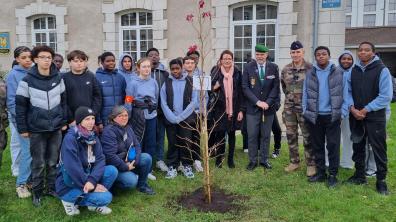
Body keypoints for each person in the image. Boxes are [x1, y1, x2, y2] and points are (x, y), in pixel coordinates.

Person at [16, 45, 68, 206]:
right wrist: (23, 128)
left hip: (55, 129)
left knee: (53, 162)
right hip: (36, 129)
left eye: (49, 57)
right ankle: (37, 192)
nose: (46, 60)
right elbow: (20, 106)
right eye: (43, 57)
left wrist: (64, 121)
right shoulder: (27, 80)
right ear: (36, 59)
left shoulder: (58, 78)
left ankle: (51, 188)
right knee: (38, 163)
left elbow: (64, 103)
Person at [345, 42, 393, 195]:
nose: (363, 52)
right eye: (360, 50)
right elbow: (348, 92)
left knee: (378, 148)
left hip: (375, 117)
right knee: (358, 146)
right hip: (356, 116)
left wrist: (365, 109)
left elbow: (386, 96)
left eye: (367, 50)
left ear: (373, 53)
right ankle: (359, 176)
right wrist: (352, 108)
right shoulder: (354, 70)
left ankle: (381, 180)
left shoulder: (382, 70)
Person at [56, 107, 118, 216]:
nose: (91, 122)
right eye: (87, 119)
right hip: (69, 184)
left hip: (87, 175)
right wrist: (90, 184)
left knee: (112, 171)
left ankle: (92, 204)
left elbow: (100, 159)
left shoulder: (92, 135)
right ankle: (68, 201)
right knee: (106, 197)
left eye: (93, 118)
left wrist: (93, 180)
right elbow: (72, 168)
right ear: (80, 121)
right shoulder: (70, 138)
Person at [302, 46, 344, 188]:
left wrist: (341, 112)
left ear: (329, 56)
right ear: (315, 57)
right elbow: (305, 93)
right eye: (318, 54)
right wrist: (305, 110)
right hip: (315, 116)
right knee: (317, 145)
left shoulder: (338, 72)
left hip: (332, 116)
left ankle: (333, 175)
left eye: (324, 54)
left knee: (333, 146)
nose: (321, 56)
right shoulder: (310, 73)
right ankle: (321, 173)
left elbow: (345, 93)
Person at [242, 44, 280, 171]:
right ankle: (252, 161)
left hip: (268, 109)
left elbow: (275, 87)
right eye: (257, 54)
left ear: (267, 54)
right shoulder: (248, 67)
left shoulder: (273, 67)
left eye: (262, 54)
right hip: (253, 108)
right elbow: (245, 87)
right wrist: (257, 102)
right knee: (252, 135)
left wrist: (268, 102)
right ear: (255, 55)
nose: (259, 57)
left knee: (266, 135)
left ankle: (264, 160)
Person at [101, 106, 155, 194]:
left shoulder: (128, 128)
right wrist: (125, 166)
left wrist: (135, 161)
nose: (124, 118)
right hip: (115, 166)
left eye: (126, 115)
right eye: (120, 116)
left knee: (146, 157)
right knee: (131, 181)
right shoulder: (108, 132)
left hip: (128, 160)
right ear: (113, 118)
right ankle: (113, 185)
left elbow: (137, 145)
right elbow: (110, 156)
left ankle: (142, 185)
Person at [281, 41, 316, 176]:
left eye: (298, 52)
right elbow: (284, 88)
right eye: (293, 52)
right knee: (291, 136)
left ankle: (311, 164)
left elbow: (314, 89)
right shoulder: (285, 70)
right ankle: (294, 162)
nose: (295, 54)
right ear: (290, 53)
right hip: (289, 109)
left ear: (303, 52)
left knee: (308, 137)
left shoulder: (310, 69)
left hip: (305, 109)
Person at [161, 59, 198, 179]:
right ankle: (172, 165)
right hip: (171, 119)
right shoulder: (166, 82)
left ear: (182, 68)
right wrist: (172, 117)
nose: (175, 71)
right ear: (170, 70)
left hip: (186, 119)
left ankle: (187, 165)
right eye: (173, 69)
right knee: (172, 142)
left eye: (177, 68)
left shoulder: (191, 81)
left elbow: (194, 101)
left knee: (186, 142)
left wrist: (181, 117)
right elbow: (163, 102)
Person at [209, 50, 244, 168]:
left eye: (229, 58)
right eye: (225, 58)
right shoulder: (216, 71)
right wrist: (217, 85)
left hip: (233, 108)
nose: (227, 60)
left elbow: (241, 92)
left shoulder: (238, 72)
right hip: (219, 108)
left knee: (232, 134)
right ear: (221, 60)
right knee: (220, 135)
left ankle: (230, 159)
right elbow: (210, 88)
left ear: (232, 59)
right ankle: (219, 158)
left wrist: (240, 110)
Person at [5, 46, 32, 199]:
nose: (27, 60)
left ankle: (29, 180)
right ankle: (20, 184)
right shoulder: (13, 75)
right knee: (27, 151)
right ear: (17, 59)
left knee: (34, 152)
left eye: (29, 57)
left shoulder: (34, 72)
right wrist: (23, 120)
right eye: (23, 57)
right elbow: (12, 102)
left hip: (35, 120)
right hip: (22, 120)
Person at [126, 58, 159, 180]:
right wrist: (128, 115)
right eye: (144, 67)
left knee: (150, 143)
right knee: (137, 142)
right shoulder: (133, 83)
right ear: (138, 68)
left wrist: (152, 107)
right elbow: (128, 99)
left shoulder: (153, 82)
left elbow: (156, 97)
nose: (146, 69)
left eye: (148, 67)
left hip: (151, 116)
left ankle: (148, 169)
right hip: (138, 117)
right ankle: (136, 168)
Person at [63, 50, 102, 127]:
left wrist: (91, 114)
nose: (79, 63)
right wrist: (71, 119)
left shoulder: (91, 77)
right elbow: (63, 101)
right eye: (76, 61)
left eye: (82, 61)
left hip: (89, 119)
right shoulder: (64, 78)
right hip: (72, 121)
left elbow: (97, 97)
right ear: (70, 62)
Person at [146, 48, 170, 173]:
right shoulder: (144, 72)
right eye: (151, 55)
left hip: (161, 110)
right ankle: (149, 162)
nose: (154, 57)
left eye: (156, 55)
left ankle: (160, 160)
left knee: (161, 135)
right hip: (148, 111)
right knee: (149, 137)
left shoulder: (164, 73)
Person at [95, 52, 126, 127]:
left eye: (113, 61)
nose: (111, 63)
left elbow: (126, 96)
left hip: (119, 117)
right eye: (108, 61)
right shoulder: (96, 77)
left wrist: (125, 112)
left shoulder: (120, 77)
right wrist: (98, 122)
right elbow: (95, 101)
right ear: (102, 62)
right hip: (104, 119)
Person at [337, 51, 355, 169]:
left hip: (351, 109)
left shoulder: (355, 73)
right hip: (335, 109)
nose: (346, 61)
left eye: (349, 59)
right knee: (332, 137)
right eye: (344, 58)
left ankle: (347, 162)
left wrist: (350, 106)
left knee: (348, 136)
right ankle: (329, 161)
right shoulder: (335, 72)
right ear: (340, 59)